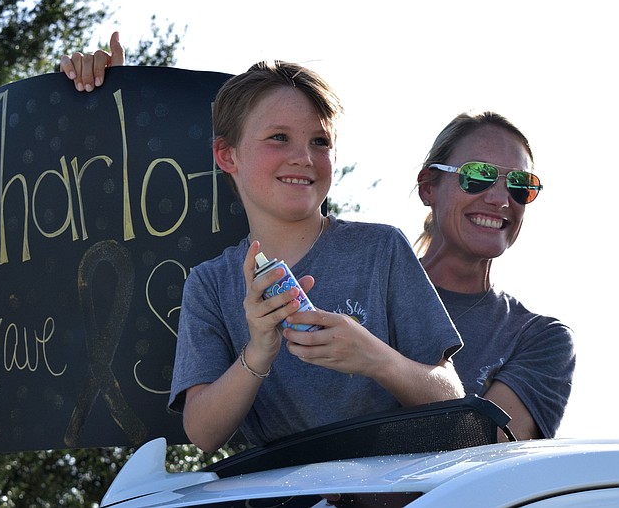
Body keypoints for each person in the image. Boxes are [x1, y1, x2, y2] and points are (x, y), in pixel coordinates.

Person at [60, 44, 465, 451]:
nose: (303, 157)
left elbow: (452, 397)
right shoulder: (211, 283)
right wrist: (259, 351)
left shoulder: (381, 249)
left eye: (320, 141)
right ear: (227, 155)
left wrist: (375, 358)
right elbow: (203, 434)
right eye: (278, 137)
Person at [415, 111, 575, 440]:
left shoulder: (538, 338)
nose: (500, 199)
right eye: (477, 176)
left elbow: (480, 455)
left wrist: (376, 361)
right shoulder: (361, 289)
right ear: (429, 186)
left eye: (520, 185)